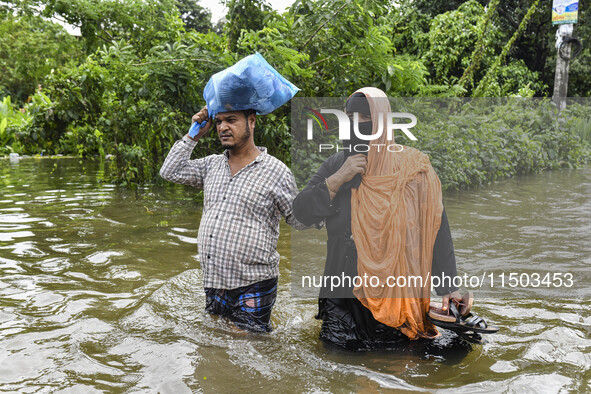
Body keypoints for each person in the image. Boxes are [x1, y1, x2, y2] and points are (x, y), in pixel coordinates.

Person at [293, 87, 463, 350]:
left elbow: (436, 229)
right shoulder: (336, 165)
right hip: (342, 296)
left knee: (406, 366)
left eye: (366, 118)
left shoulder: (412, 169)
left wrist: (449, 287)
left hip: (395, 294)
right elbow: (300, 211)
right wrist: (338, 179)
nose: (358, 125)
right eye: (351, 118)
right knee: (338, 366)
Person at [160, 106, 303, 332]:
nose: (223, 127)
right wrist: (193, 135)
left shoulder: (277, 171)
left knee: (247, 351)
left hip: (254, 281)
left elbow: (299, 220)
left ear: (252, 121)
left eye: (231, 120)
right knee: (216, 348)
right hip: (215, 280)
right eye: (218, 122)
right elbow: (170, 171)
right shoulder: (211, 165)